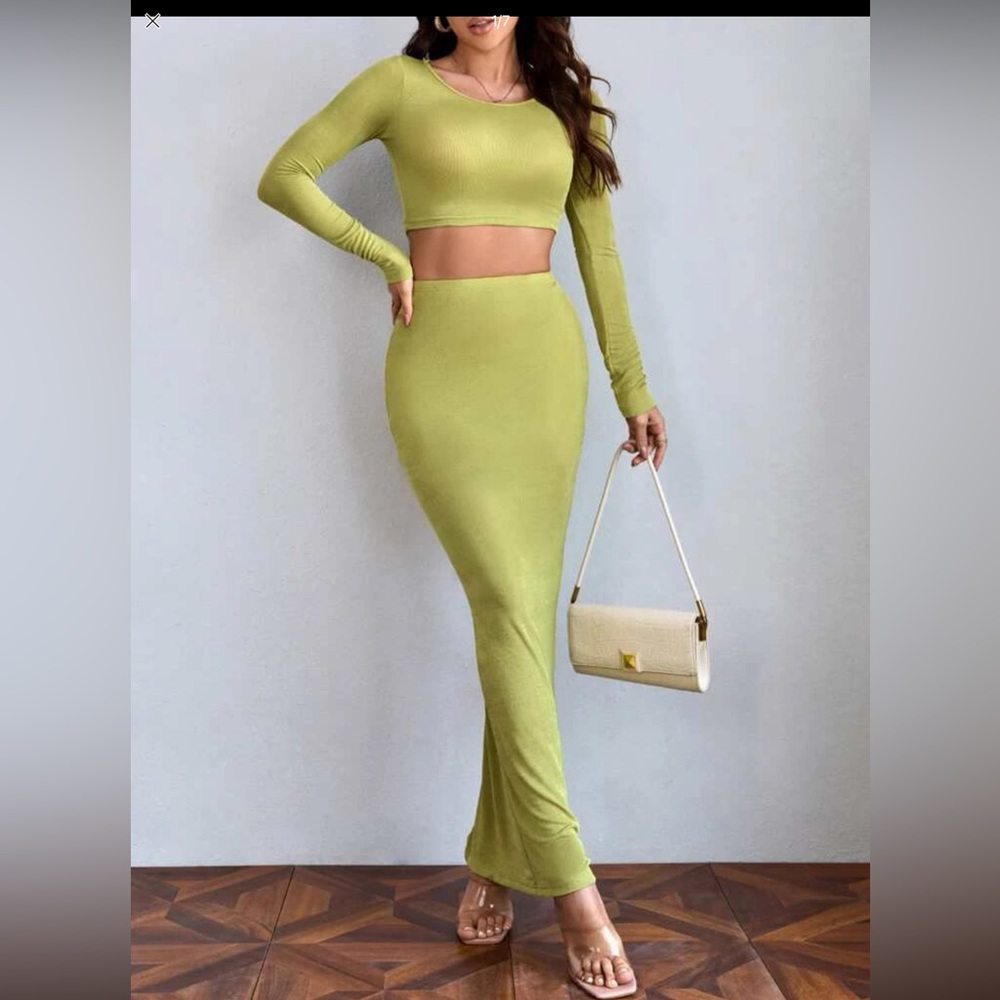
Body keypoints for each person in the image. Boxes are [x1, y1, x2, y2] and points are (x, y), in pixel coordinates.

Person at [257, 16, 668, 999]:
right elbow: (284, 175)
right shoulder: (398, 86)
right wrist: (384, 255)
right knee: (505, 607)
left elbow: (599, 253)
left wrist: (632, 384)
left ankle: (492, 858)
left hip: (541, 369)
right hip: (440, 368)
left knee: (515, 620)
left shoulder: (568, 104)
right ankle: (573, 887)